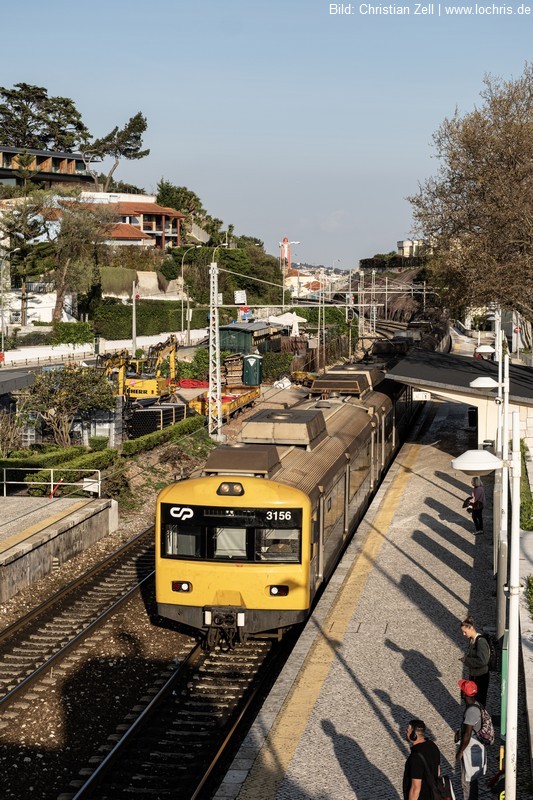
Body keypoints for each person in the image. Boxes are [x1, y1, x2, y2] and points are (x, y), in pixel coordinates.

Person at [456, 680, 487, 800]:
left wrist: (460, 752)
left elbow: (467, 735)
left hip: (470, 749)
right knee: (472, 781)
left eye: (461, 690)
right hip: (475, 747)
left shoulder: (471, 711)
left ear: (464, 694)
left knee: (467, 782)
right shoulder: (476, 704)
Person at [402, 719, 441, 800]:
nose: (406, 733)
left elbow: (415, 788)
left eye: (408, 731)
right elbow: (438, 771)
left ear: (414, 735)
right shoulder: (433, 746)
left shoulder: (415, 757)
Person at [460, 615, 490, 707]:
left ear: (471, 628)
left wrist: (467, 660)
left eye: (465, 632)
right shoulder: (472, 640)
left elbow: (483, 661)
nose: (464, 634)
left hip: (481, 677)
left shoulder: (480, 641)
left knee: (479, 700)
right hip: (474, 675)